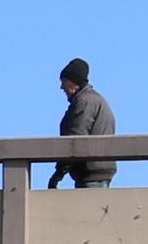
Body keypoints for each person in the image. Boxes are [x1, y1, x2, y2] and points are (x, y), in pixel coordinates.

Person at [49, 59, 116, 189]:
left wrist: (59, 174)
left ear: (74, 82)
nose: (61, 86)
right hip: (97, 175)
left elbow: (74, 141)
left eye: (64, 81)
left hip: (92, 176)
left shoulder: (85, 103)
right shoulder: (92, 100)